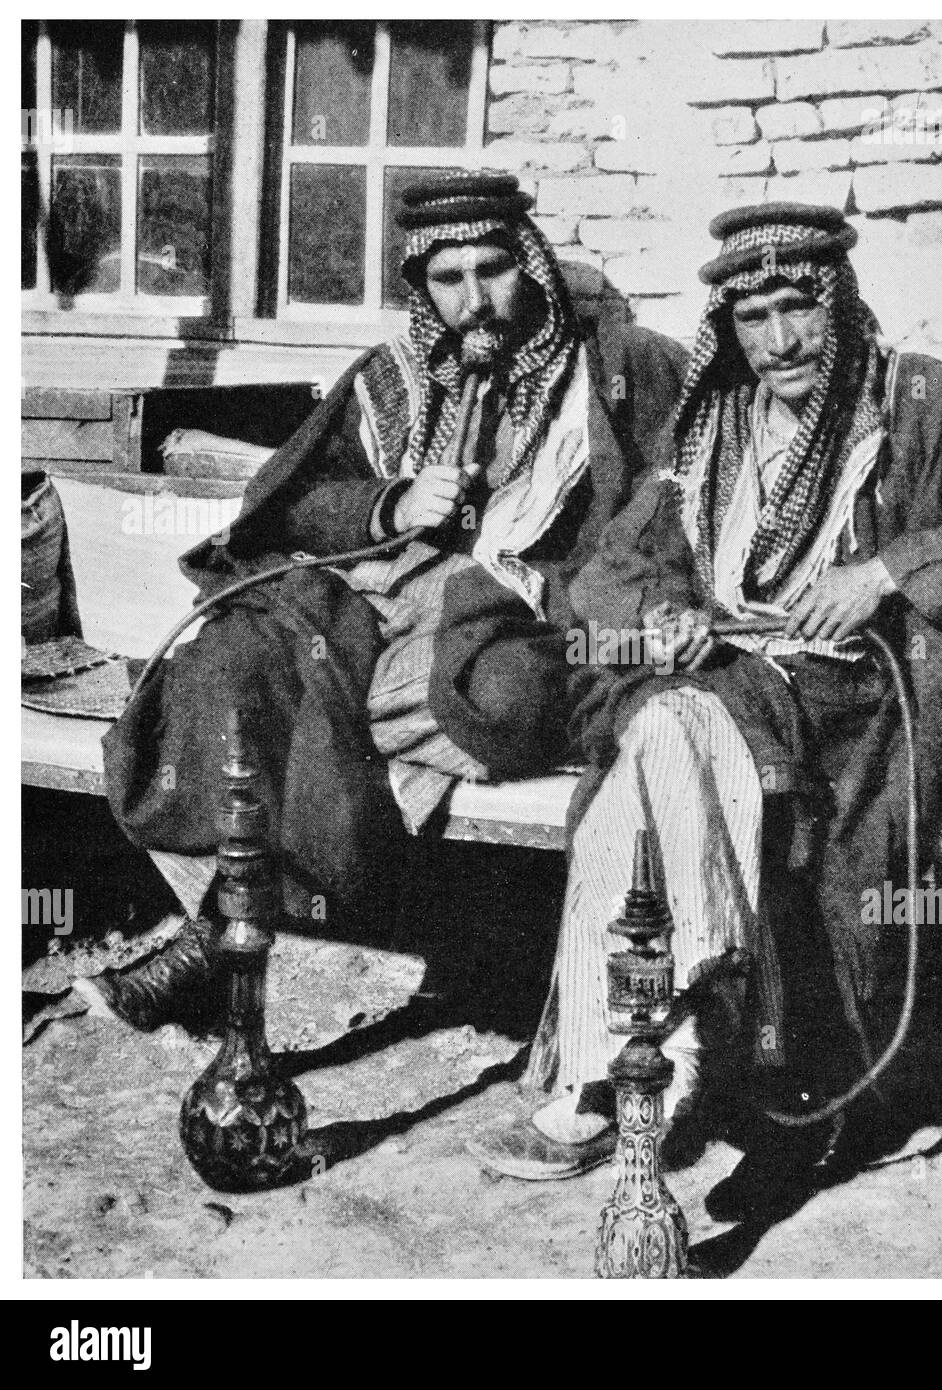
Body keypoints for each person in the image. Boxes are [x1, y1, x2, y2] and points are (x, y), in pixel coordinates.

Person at [462, 202, 942, 1197]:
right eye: (752, 318)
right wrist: (666, 609)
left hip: (838, 703)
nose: (779, 340)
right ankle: (672, 1027)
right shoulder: (708, 424)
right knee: (662, 727)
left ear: (835, 304)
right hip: (714, 681)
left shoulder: (918, 401)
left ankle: (615, 1064)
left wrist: (886, 570)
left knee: (656, 737)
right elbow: (617, 568)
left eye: (797, 307)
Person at [94, 169, 686, 1030]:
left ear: (532, 266)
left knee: (495, 697)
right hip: (366, 605)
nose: (475, 300)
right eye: (449, 280)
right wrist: (391, 503)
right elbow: (284, 500)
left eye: (494, 270)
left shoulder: (613, 374)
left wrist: (556, 580)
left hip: (512, 613)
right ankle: (237, 918)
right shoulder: (390, 377)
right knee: (234, 658)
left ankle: (226, 925)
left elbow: (666, 506)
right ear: (421, 287)